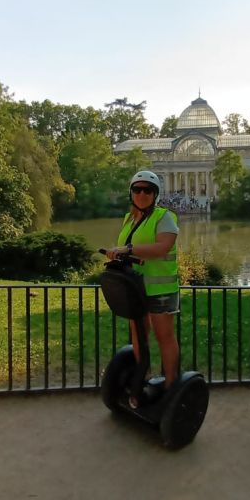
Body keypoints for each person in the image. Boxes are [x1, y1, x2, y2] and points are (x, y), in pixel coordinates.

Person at [106, 170, 181, 401]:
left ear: (155, 193)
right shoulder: (129, 219)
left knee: (164, 336)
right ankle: (143, 377)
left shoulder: (164, 217)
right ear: (131, 193)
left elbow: (162, 247)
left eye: (147, 190)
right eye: (137, 189)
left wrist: (128, 250)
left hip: (160, 289)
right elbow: (126, 249)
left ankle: (171, 386)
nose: (141, 194)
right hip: (135, 289)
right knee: (138, 335)